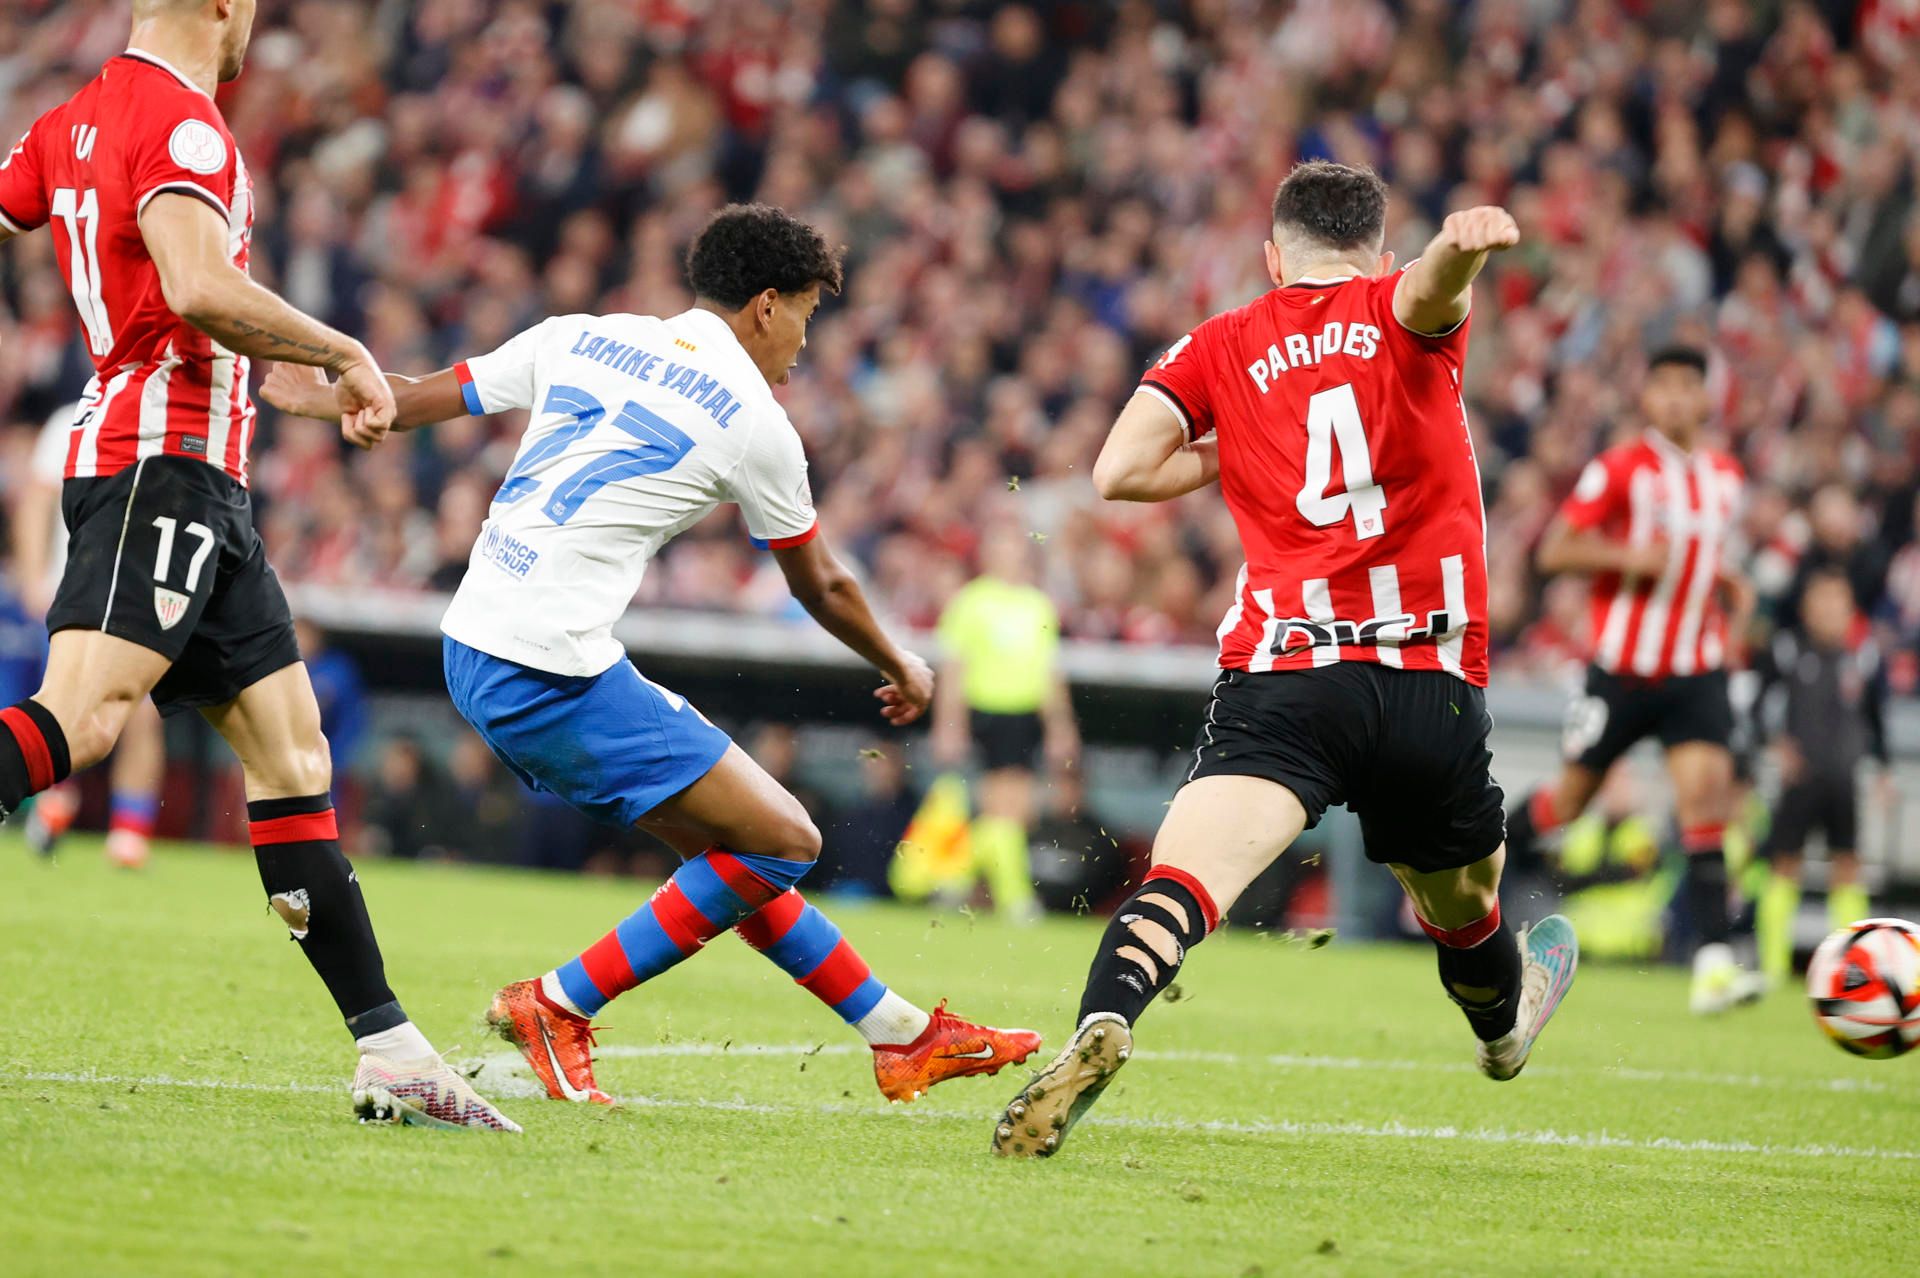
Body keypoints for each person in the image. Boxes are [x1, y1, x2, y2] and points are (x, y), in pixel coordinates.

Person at [263, 203, 1042, 1106]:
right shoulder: (756, 422)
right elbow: (821, 585)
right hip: (547, 667)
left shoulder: (584, 336)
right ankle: (559, 1003)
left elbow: (411, 399)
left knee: (734, 854)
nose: (800, 342)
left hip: (475, 639)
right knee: (788, 839)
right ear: (763, 306)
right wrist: (900, 662)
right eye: (803, 315)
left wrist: (328, 399)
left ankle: (900, 1034)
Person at [992, 162, 1577, 1159]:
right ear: (1377, 253)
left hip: (1286, 679)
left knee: (1182, 881)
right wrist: (1460, 249)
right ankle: (1502, 1033)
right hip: (1424, 685)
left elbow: (1118, 470)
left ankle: (1106, 1018)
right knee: (1463, 901)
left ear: (1273, 256)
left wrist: (1243, 440)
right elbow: (1431, 294)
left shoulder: (1223, 342)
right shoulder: (1398, 304)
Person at [0, 0, 513, 1131]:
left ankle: (388, 1050)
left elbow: (155, 295)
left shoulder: (69, 122)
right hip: (158, 467)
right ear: (222, 8)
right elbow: (190, 286)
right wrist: (342, 346)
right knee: (81, 720)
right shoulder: (186, 129)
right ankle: (387, 1045)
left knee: (293, 753)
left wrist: (295, 385)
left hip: (197, 475)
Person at [1504, 345, 1766, 1014]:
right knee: (1568, 803)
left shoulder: (1726, 477)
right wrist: (1630, 557)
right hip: (1622, 670)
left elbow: (1700, 557)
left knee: (1705, 798)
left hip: (1694, 669)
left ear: (1707, 399)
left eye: (1688, 386)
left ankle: (1712, 964)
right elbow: (1555, 549)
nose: (1677, 399)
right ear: (1647, 398)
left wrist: (1726, 585)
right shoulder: (1620, 470)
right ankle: (1479, 857)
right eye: (1665, 386)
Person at [14, 402, 167, 868]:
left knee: (142, 714)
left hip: (142, 594)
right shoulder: (71, 420)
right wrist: (32, 576)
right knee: (67, 710)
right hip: (76, 589)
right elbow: (36, 502)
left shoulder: (167, 420)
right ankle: (55, 804)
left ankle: (129, 831)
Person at [930, 524, 1079, 920]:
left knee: (1014, 812)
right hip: (987, 712)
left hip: (1025, 715)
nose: (1007, 556)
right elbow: (953, 669)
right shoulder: (970, 602)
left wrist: (1059, 726)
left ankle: (955, 878)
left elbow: (1050, 673)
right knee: (1004, 808)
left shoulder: (1038, 605)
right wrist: (950, 726)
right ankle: (1014, 898)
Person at [1751, 569, 1889, 980]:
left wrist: (1880, 770)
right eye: (1821, 601)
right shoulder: (1789, 649)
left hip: (1844, 779)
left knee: (1847, 865)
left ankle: (1851, 971)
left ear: (1851, 610)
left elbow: (1875, 719)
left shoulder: (1863, 657)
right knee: (1784, 863)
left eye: (1837, 602)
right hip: (1801, 779)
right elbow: (1756, 704)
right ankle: (1773, 966)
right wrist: (1775, 745)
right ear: (1807, 609)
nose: (1829, 610)